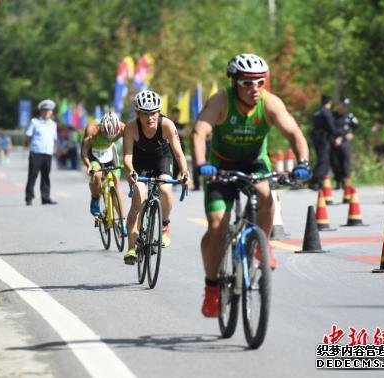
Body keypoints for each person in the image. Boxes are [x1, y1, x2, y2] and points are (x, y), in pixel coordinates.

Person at [191, 53, 310, 317]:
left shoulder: (270, 103)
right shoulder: (221, 101)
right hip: (220, 167)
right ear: (234, 82)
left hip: (255, 163)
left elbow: (294, 132)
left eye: (260, 81)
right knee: (216, 225)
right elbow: (199, 131)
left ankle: (262, 244)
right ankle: (212, 288)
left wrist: (303, 163)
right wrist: (200, 164)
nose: (254, 88)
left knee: (267, 197)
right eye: (247, 83)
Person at [122, 90, 189, 265]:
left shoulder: (167, 125)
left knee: (165, 189)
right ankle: (131, 248)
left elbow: (179, 153)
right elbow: (127, 156)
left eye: (153, 113)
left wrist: (184, 172)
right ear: (138, 114)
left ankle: (165, 225)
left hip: (162, 159)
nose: (150, 117)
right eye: (145, 113)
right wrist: (130, 171)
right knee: (138, 198)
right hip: (140, 162)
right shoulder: (131, 128)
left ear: (159, 112)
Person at [80, 112, 127, 235]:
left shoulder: (122, 128)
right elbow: (84, 151)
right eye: (106, 135)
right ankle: (95, 199)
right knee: (97, 175)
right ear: (100, 128)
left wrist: (127, 161)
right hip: (94, 153)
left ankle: (122, 221)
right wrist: (89, 166)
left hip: (109, 152)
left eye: (112, 136)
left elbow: (130, 144)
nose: (109, 138)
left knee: (117, 183)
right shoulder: (92, 130)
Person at [24, 99, 58, 205]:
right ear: (41, 111)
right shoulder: (35, 122)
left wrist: (55, 151)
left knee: (45, 176)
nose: (47, 112)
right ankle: (29, 197)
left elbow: (54, 139)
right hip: (36, 153)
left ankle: (45, 197)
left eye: (49, 110)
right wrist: (28, 146)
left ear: (52, 112)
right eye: (45, 110)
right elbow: (28, 135)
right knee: (32, 176)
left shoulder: (53, 124)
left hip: (48, 153)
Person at [307, 94, 343, 191]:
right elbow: (331, 127)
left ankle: (317, 181)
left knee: (320, 160)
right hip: (324, 139)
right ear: (330, 102)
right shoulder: (326, 113)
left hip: (316, 138)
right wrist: (339, 134)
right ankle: (315, 181)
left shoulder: (317, 112)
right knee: (324, 161)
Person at [331, 97, 358, 189]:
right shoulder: (333, 115)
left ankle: (346, 182)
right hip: (334, 142)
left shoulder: (350, 116)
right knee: (335, 163)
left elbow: (356, 127)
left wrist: (351, 134)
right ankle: (338, 181)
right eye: (342, 106)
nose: (344, 108)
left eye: (346, 106)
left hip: (344, 141)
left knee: (345, 162)